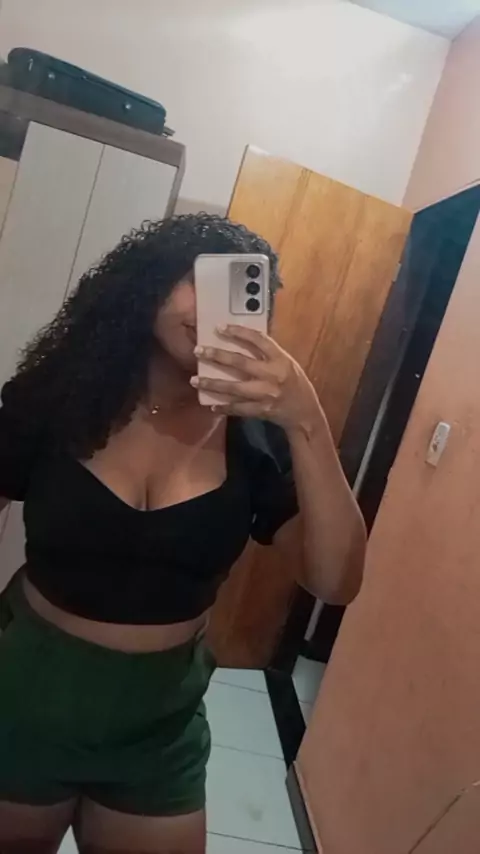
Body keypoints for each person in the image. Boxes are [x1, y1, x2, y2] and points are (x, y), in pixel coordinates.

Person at [0, 213, 366, 854]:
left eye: (238, 289)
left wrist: (306, 419)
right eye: (193, 278)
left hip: (160, 723)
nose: (208, 306)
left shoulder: (259, 436)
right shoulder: (59, 398)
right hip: (23, 691)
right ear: (144, 287)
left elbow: (336, 582)